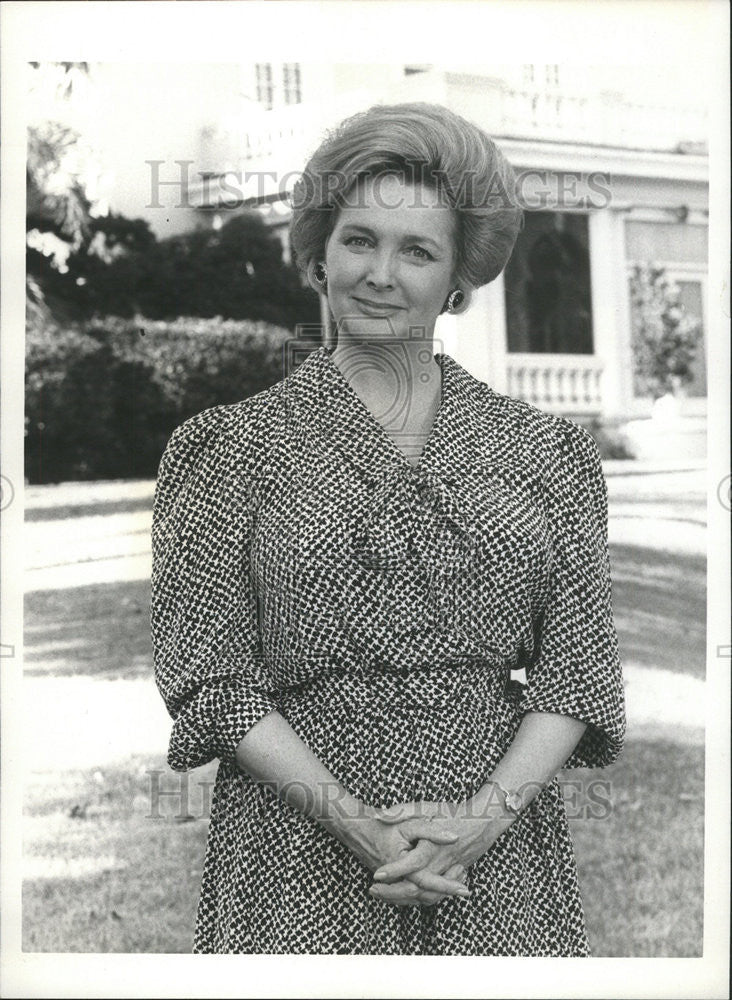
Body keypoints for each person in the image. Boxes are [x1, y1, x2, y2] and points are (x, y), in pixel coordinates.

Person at [151, 102, 626, 955]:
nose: (381, 273)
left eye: (417, 251)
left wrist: (475, 827)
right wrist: (359, 825)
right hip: (295, 846)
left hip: (496, 845)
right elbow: (209, 677)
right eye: (360, 239)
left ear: (458, 283)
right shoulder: (225, 450)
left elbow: (578, 674)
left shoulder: (546, 453)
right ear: (318, 258)